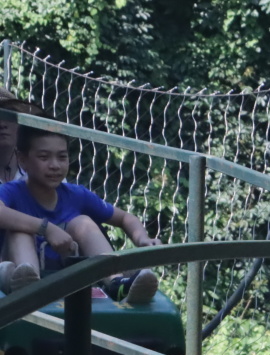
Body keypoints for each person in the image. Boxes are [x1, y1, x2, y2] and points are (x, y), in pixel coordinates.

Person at [0, 127, 159, 299]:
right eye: (44, 157)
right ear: (22, 160)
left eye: (62, 157)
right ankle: (27, 288)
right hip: (21, 276)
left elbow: (125, 217)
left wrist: (142, 239)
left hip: (68, 274)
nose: (55, 165)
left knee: (83, 222)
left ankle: (115, 283)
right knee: (19, 231)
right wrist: (46, 228)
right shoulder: (11, 191)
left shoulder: (77, 195)